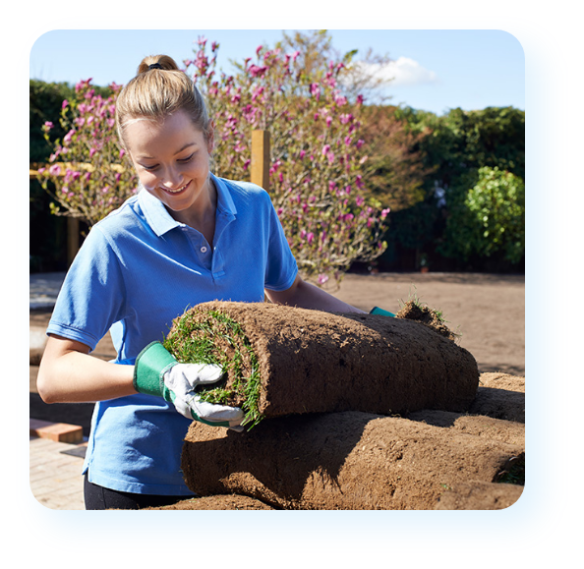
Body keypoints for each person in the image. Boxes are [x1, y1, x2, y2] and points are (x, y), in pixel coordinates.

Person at [37, 55, 365, 510]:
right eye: (149, 166)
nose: (171, 180)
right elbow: (54, 375)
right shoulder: (114, 240)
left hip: (236, 470)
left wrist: (373, 327)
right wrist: (158, 377)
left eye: (185, 157)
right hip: (138, 480)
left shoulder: (254, 208)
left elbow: (289, 292)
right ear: (129, 160)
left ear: (210, 138)